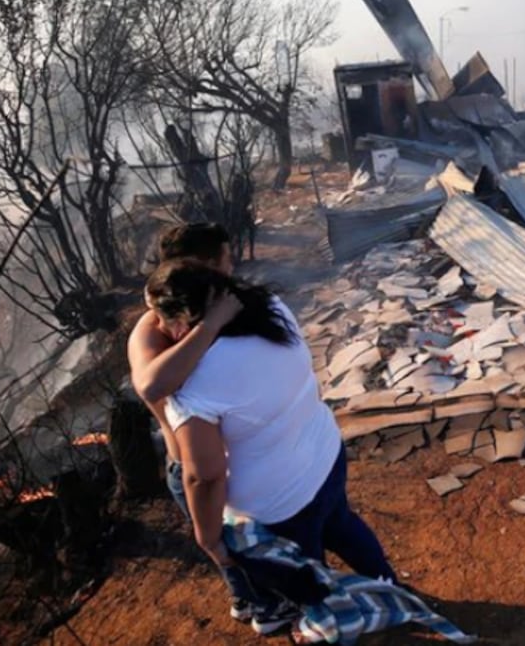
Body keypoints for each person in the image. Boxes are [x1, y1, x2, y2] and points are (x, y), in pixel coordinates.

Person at [146, 261, 399, 635]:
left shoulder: (194, 389)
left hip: (280, 504)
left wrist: (208, 537)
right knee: (342, 525)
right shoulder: (270, 308)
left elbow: (204, 476)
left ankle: (329, 624)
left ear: (182, 323)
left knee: (304, 575)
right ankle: (387, 586)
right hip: (324, 457)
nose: (158, 330)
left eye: (159, 320)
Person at [127, 223, 253, 620]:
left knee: (247, 545)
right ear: (200, 266)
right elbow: (151, 384)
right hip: (191, 465)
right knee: (226, 550)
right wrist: (210, 326)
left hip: (226, 459)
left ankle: (265, 596)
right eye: (225, 261)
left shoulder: (207, 308)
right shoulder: (155, 326)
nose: (231, 268)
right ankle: (252, 601)